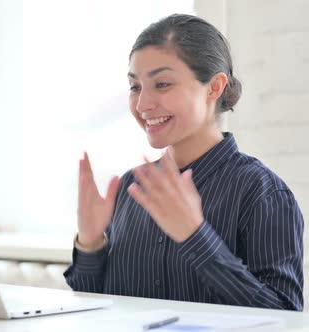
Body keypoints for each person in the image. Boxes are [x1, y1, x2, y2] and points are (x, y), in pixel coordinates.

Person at [64, 14, 304, 311]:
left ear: (214, 87)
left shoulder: (262, 193)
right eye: (135, 87)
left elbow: (284, 318)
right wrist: (90, 243)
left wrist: (195, 236)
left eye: (162, 84)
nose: (142, 105)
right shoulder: (130, 188)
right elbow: (94, 309)